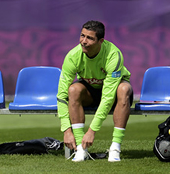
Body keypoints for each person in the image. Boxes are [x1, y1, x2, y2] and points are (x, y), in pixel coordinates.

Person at [56, 20, 133, 162]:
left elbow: (108, 97)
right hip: (90, 91)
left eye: (89, 38)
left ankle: (115, 148)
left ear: (101, 41)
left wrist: (91, 131)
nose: (83, 41)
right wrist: (66, 130)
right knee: (73, 90)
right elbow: (61, 95)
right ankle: (80, 148)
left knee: (124, 89)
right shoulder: (73, 56)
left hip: (114, 92)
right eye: (82, 36)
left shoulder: (113, 55)